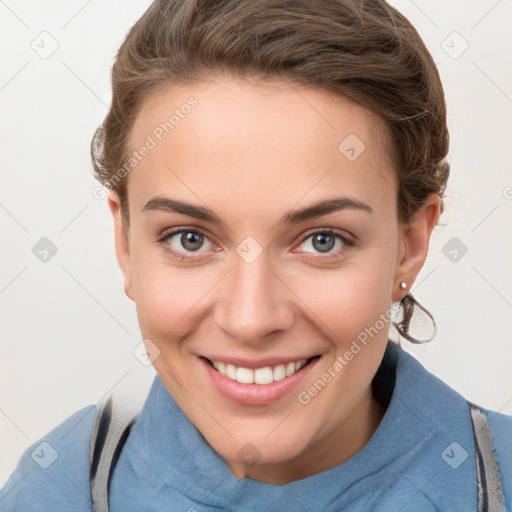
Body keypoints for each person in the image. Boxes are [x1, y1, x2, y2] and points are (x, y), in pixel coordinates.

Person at [1, 0, 510, 510]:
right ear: (126, 243)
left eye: (322, 241)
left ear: (410, 246)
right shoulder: (52, 491)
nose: (250, 320)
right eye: (190, 239)